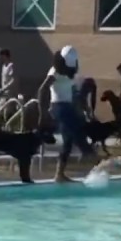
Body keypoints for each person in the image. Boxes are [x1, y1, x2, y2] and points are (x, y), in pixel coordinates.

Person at [37, 46, 93, 183]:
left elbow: (72, 91)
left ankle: (59, 174)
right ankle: (93, 157)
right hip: (58, 106)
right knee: (77, 132)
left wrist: (82, 108)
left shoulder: (71, 71)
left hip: (68, 105)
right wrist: (42, 113)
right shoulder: (54, 72)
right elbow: (42, 90)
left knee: (68, 141)